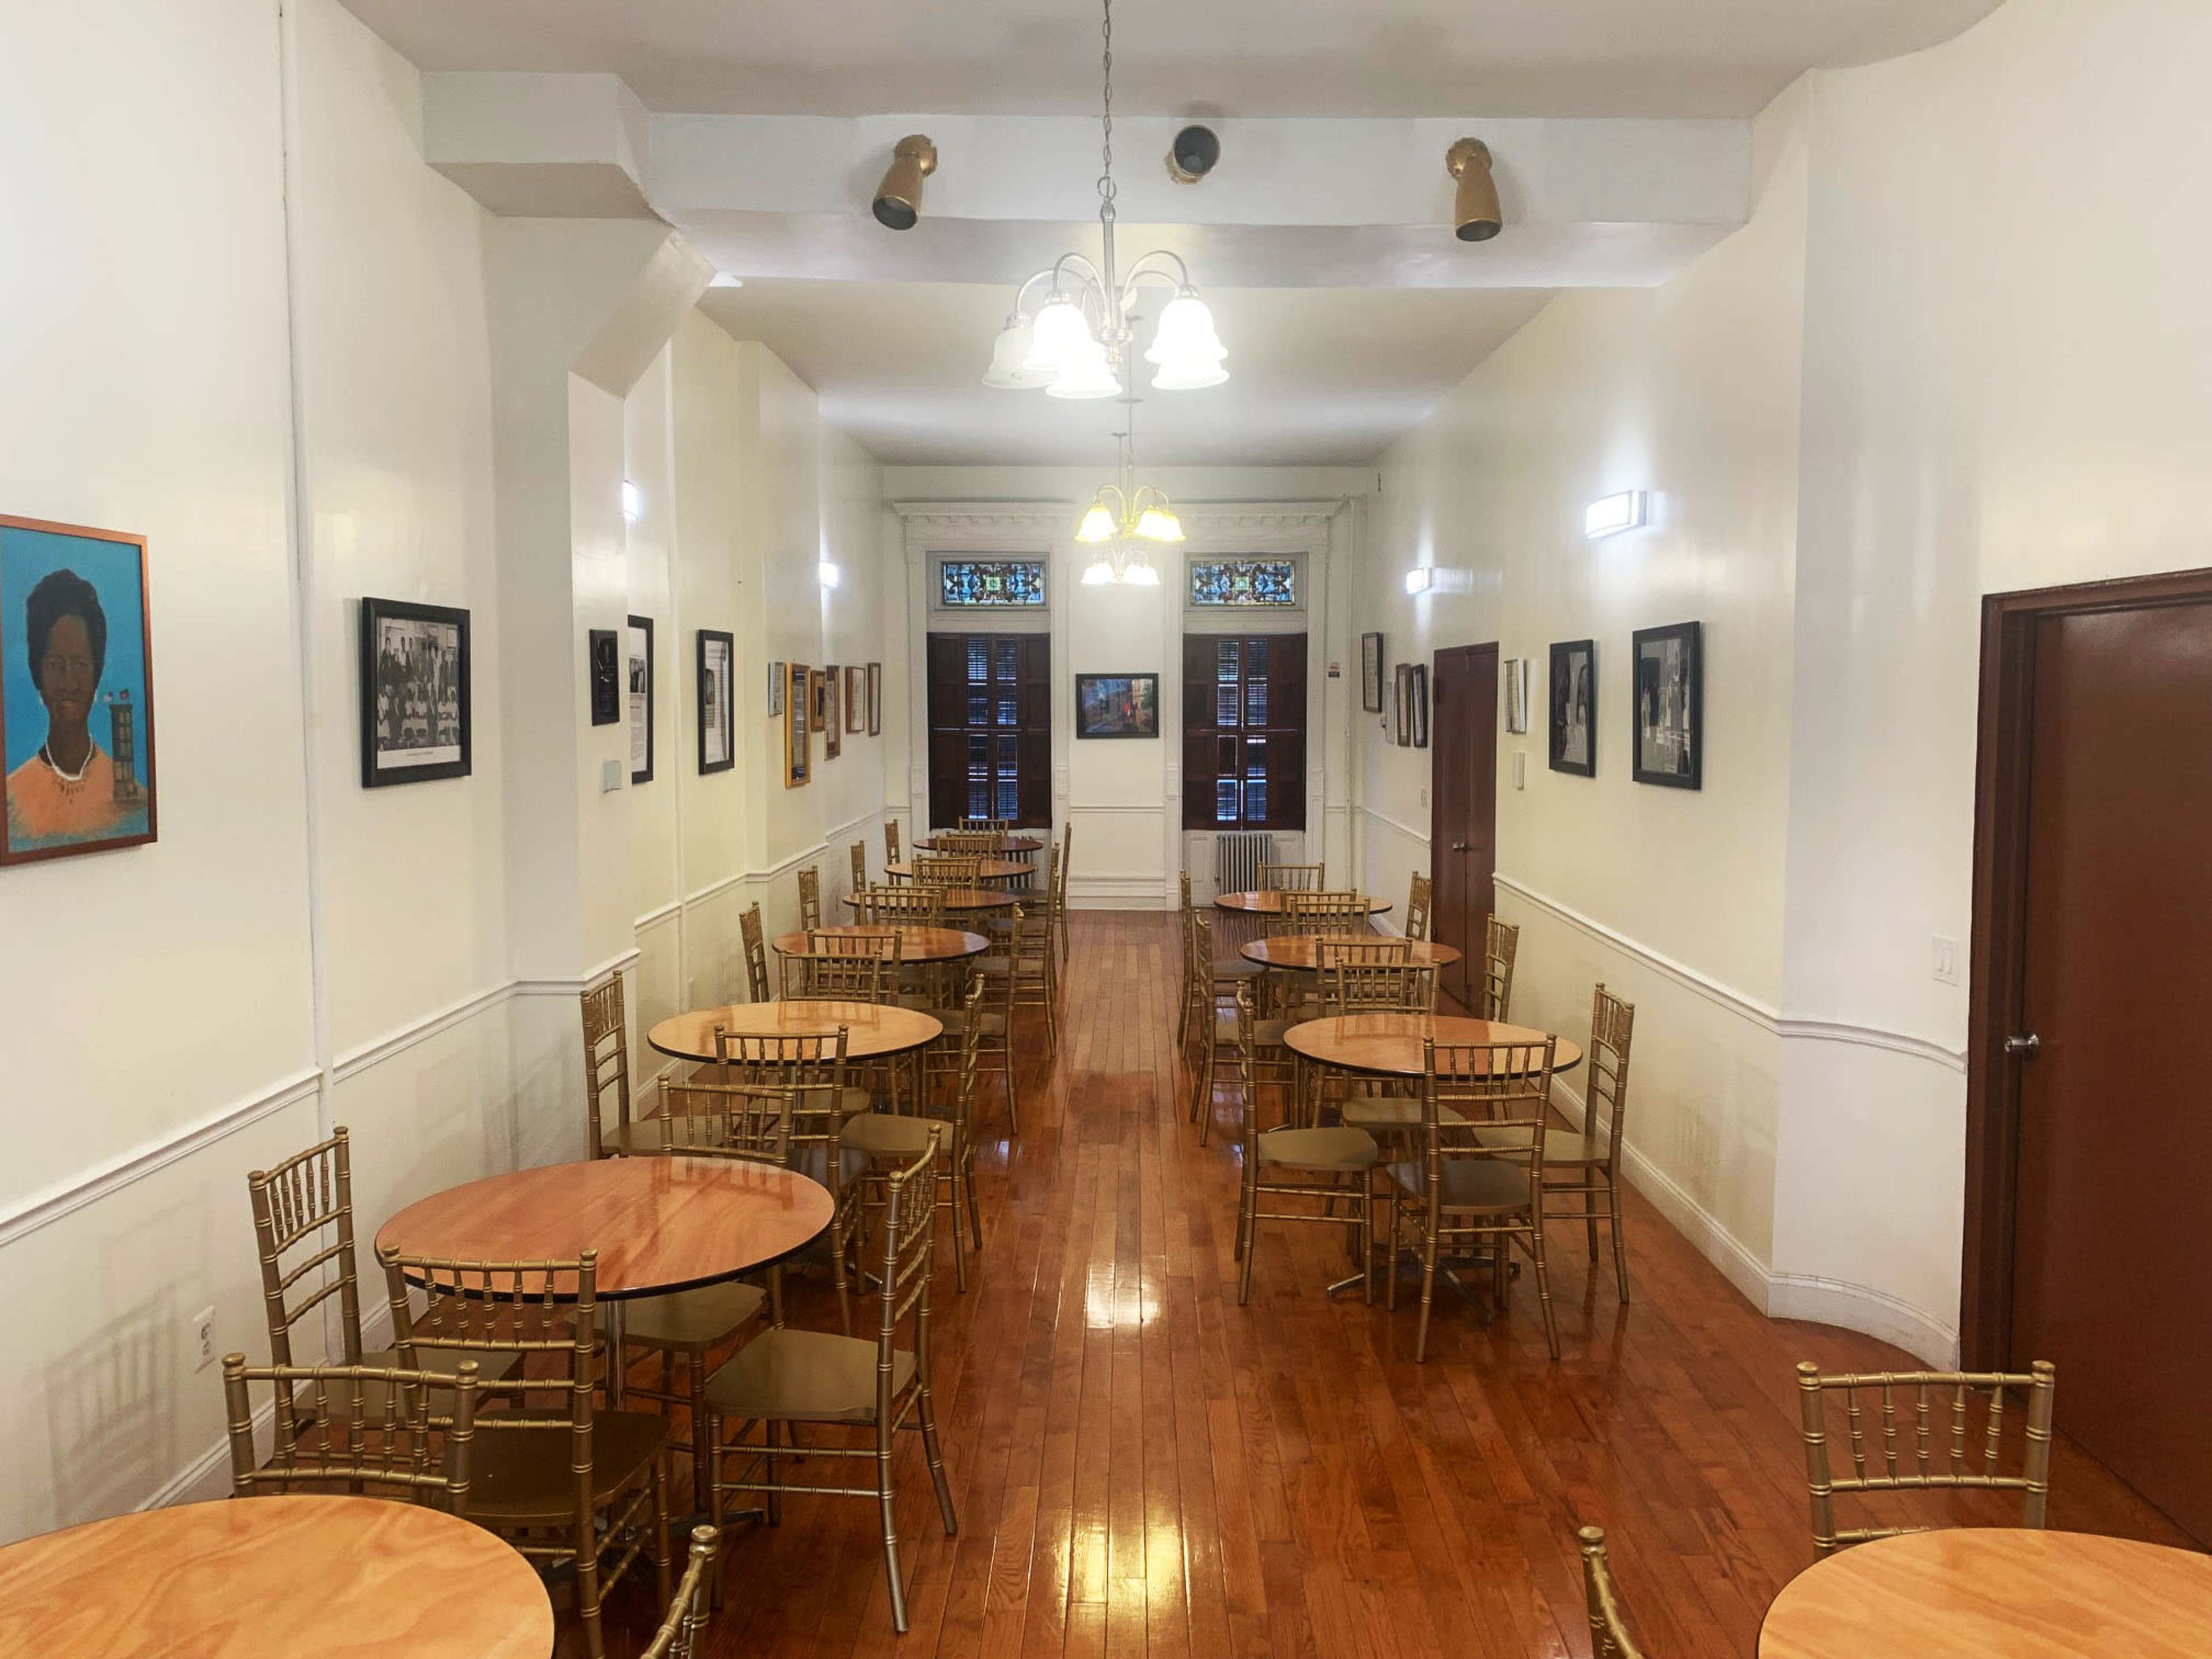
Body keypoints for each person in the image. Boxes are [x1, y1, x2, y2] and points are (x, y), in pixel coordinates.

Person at [6, 569, 129, 847]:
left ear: (96, 673)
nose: (69, 682)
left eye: (80, 665)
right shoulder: (10, 802)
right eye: (56, 665)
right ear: (38, 674)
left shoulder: (132, 801)